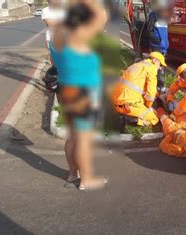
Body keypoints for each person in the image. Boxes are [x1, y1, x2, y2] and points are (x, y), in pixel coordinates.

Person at [50, 0, 108, 191]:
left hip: (66, 88)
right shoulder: (77, 34)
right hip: (82, 90)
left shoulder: (56, 34)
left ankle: (73, 173)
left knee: (72, 136)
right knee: (84, 138)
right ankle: (87, 180)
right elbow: (102, 16)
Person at [111, 52, 167, 126]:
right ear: (155, 61)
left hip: (115, 102)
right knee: (154, 118)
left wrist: (158, 94)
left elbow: (138, 87)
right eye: (161, 65)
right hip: (127, 106)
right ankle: (128, 120)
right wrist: (148, 107)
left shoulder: (136, 65)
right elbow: (151, 94)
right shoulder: (152, 69)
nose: (160, 68)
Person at [145, 8, 169, 91]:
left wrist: (166, 43)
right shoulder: (153, 14)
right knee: (155, 67)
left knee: (161, 68)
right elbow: (149, 30)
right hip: (157, 46)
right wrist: (158, 40)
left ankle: (160, 85)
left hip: (164, 47)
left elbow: (165, 31)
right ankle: (154, 86)